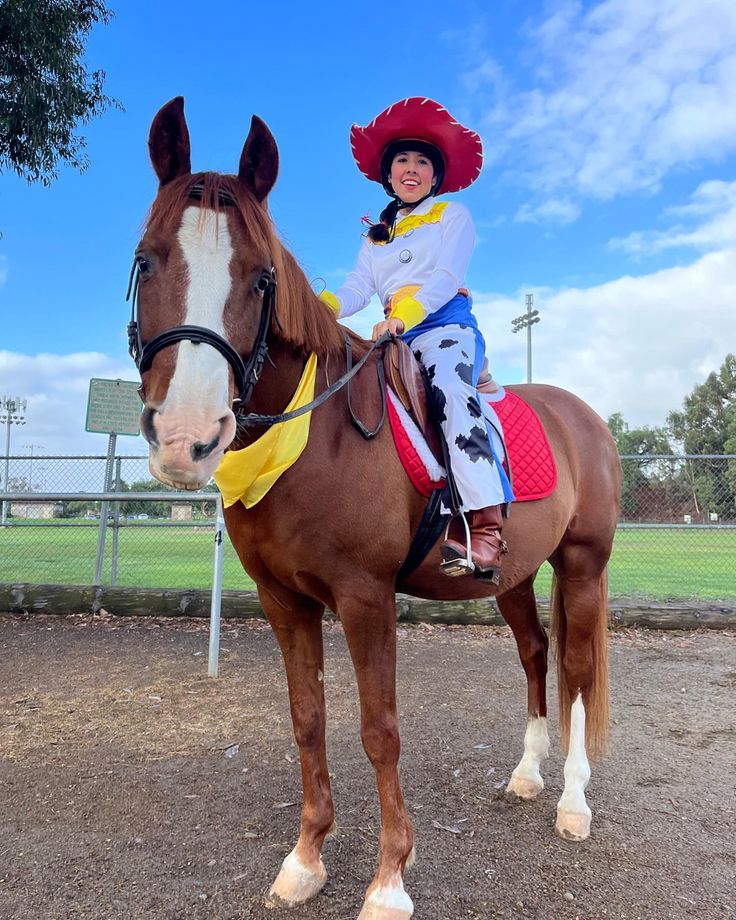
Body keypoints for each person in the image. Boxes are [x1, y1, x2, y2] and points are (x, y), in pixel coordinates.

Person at [321, 96, 513, 580]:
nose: (412, 169)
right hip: (395, 338)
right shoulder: (376, 237)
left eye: (422, 162)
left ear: (434, 176)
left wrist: (403, 316)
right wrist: (319, 308)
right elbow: (357, 288)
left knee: (450, 391)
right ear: (388, 174)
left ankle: (484, 527)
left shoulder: (453, 217)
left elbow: (446, 278)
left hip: (445, 327)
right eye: (402, 161)